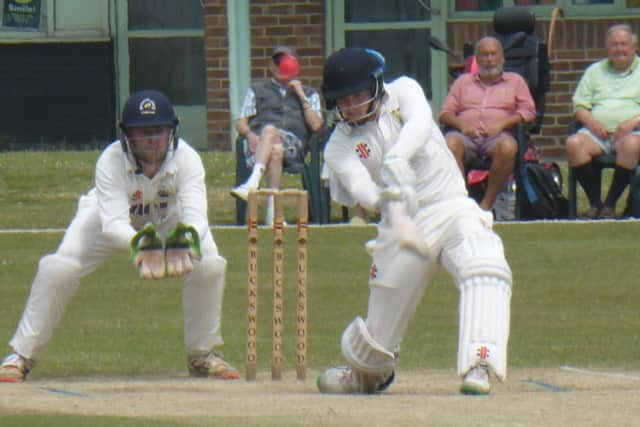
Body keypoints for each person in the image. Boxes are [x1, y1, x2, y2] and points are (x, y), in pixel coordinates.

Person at [0, 90, 239, 383]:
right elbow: (113, 223)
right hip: (104, 216)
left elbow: (197, 216)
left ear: (172, 131)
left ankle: (202, 355)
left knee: (210, 264)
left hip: (169, 217)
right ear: (127, 135)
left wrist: (183, 237)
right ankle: (21, 356)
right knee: (58, 267)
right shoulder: (110, 160)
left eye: (158, 131)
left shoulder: (188, 158)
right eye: (142, 132)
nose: (151, 140)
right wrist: (143, 244)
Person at [316, 47, 512, 396]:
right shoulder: (338, 146)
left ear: (376, 87)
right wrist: (385, 199)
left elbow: (421, 123)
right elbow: (360, 187)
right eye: (343, 100)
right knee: (375, 348)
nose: (352, 106)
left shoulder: (404, 90)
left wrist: (396, 158)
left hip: (450, 204)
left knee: (485, 263)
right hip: (402, 226)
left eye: (359, 95)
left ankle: (479, 364)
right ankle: (366, 372)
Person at [439, 36, 536, 213]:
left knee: (508, 147)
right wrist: (462, 126)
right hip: (466, 136)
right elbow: (445, 114)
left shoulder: (516, 81)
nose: (489, 59)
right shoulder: (462, 82)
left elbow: (528, 112)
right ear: (477, 59)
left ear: (502, 58)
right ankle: (462, 202)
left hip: (499, 137)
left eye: (493, 54)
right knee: (449, 143)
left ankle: (486, 204)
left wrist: (502, 124)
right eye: (484, 55)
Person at [231, 46, 324, 225]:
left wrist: (300, 95)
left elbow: (316, 125)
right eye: (277, 62)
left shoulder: (309, 93)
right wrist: (250, 135)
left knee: (270, 131)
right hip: (259, 146)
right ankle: (273, 213)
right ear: (271, 66)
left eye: (286, 62)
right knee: (275, 150)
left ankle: (253, 182)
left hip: (294, 146)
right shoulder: (257, 90)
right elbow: (241, 123)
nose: (281, 66)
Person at [565, 24, 640, 219]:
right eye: (614, 45)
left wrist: (631, 123)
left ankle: (610, 204)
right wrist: (592, 123)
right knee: (574, 144)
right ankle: (595, 204)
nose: (619, 49)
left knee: (631, 144)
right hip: (599, 133)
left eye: (623, 44)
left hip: (633, 133)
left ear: (634, 47)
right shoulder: (594, 71)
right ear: (608, 48)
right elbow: (579, 106)